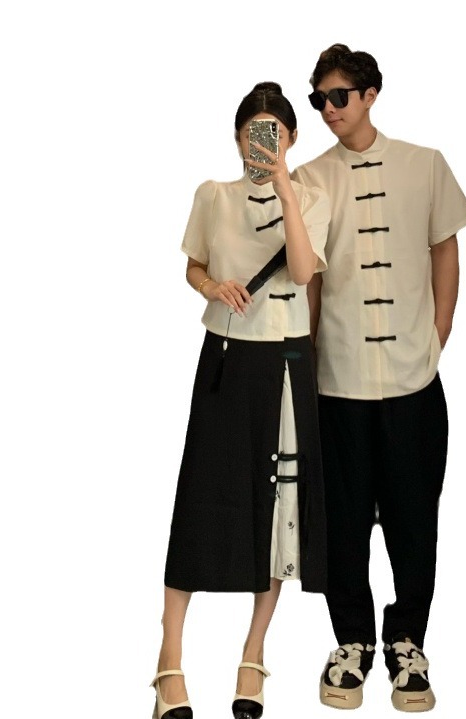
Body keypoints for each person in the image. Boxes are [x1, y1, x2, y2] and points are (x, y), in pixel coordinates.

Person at [291, 45, 466, 712]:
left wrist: (439, 330)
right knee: (340, 523)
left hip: (412, 382)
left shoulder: (424, 165)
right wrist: (306, 359)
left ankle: (407, 643)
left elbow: (444, 245)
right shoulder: (310, 178)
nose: (328, 110)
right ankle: (351, 643)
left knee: (412, 519)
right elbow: (307, 277)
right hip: (337, 383)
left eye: (338, 97)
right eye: (319, 100)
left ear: (370, 95)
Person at [152, 81, 330, 719]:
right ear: (235, 139)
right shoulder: (213, 195)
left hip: (288, 359)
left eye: (273, 135)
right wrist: (211, 286)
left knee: (278, 504)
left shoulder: (311, 198)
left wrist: (284, 185)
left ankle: (253, 656)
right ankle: (169, 660)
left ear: (291, 139)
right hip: (227, 356)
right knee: (202, 495)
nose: (261, 145)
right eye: (252, 134)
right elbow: (193, 266)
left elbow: (304, 272)